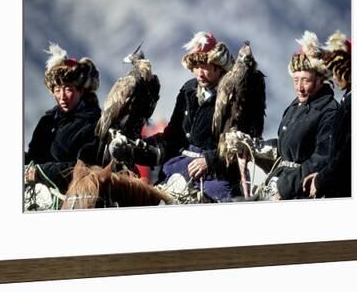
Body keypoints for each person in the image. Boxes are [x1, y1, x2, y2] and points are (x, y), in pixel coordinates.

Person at [112, 31, 242, 202]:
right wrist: (134, 150)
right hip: (179, 167)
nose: (199, 73)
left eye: (205, 66)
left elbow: (242, 143)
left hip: (217, 176)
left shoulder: (235, 97)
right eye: (196, 67)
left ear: (218, 66)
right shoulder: (188, 90)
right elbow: (172, 138)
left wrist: (209, 161)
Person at [265, 31, 339, 200]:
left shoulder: (329, 111)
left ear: (320, 78)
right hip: (279, 181)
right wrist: (257, 148)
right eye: (295, 80)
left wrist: (285, 189)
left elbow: (321, 159)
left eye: (305, 80)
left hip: (301, 193)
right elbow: (289, 147)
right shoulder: (295, 106)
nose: (299, 87)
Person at [24, 43, 101, 193]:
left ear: (81, 91)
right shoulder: (47, 121)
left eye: (68, 89)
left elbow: (85, 168)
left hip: (71, 197)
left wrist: (41, 173)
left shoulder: (93, 123)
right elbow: (34, 157)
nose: (62, 96)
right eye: (57, 90)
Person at [302, 31, 351, 198]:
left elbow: (347, 154)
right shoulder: (347, 100)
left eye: (338, 69)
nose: (335, 75)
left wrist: (322, 180)